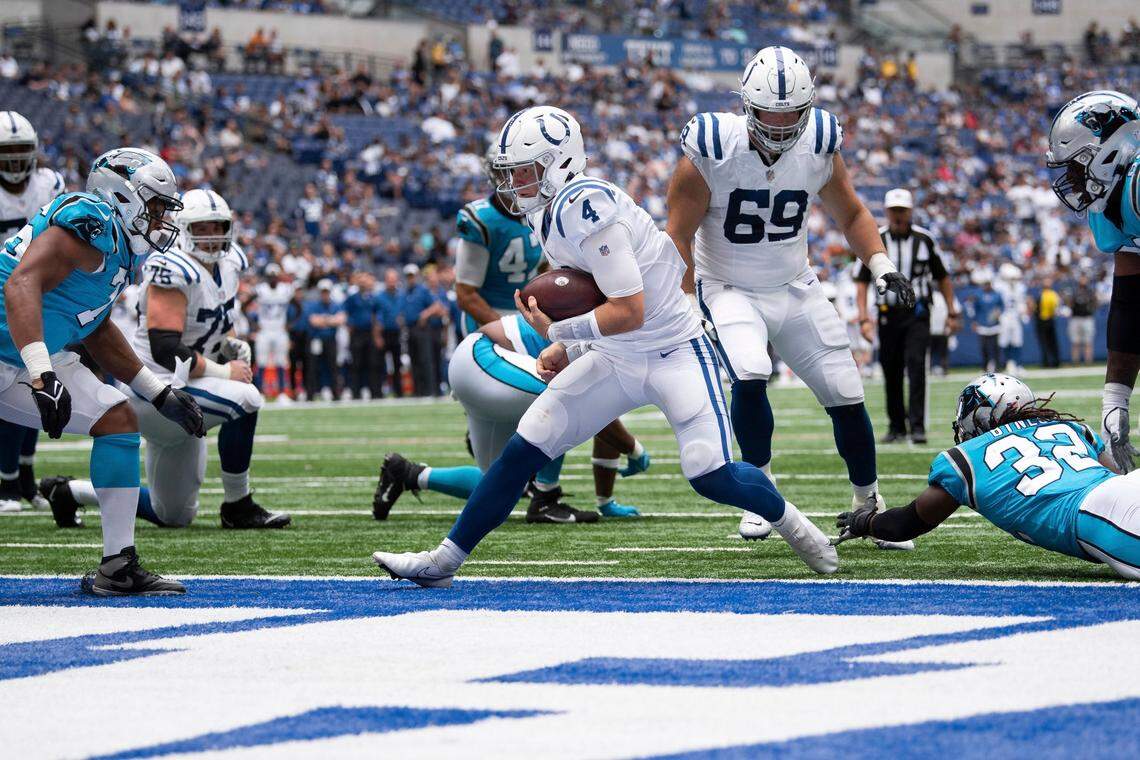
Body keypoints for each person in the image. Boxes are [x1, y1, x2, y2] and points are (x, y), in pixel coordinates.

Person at [372, 106, 838, 587]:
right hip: (617, 354)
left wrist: (559, 335)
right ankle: (443, 562)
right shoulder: (547, 213)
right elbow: (600, 303)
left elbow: (628, 309)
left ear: (559, 163)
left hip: (674, 348)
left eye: (524, 170)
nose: (513, 182)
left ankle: (794, 525)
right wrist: (570, 351)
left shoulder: (584, 204)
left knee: (709, 472)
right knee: (528, 443)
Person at [666, 48, 918, 548]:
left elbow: (852, 214)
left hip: (794, 282)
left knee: (846, 390)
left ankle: (868, 505)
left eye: (791, 115)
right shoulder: (712, 148)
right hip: (728, 286)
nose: (780, 127)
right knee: (750, 370)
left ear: (808, 109)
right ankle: (762, 495)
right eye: (769, 114)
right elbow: (677, 236)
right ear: (746, 106)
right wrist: (687, 306)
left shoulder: (821, 141)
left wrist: (883, 266)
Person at [0, 147, 204, 595]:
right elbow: (21, 283)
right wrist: (41, 373)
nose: (159, 220)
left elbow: (92, 324)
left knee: (117, 418)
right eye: (153, 206)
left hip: (26, 354)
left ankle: (117, 567)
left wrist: (158, 392)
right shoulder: (92, 220)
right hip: (13, 351)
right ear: (122, 194)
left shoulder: (117, 248)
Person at [41, 188, 290, 531]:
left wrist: (230, 344)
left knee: (173, 514)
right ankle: (238, 505)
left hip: (191, 387)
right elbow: (165, 347)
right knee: (246, 398)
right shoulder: (170, 266)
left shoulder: (231, 264)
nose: (212, 235)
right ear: (185, 228)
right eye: (202, 228)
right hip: (155, 391)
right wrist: (223, 370)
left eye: (218, 226)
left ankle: (68, 491)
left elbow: (217, 319)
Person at [836, 373, 1140, 580]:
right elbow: (1114, 476)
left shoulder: (964, 460)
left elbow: (906, 523)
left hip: (1096, 515)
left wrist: (867, 522)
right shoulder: (1071, 429)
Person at [374, 314, 646, 522]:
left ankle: (408, 474)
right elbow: (600, 413)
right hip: (484, 358)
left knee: (497, 482)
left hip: (481, 369)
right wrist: (635, 450)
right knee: (562, 394)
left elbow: (606, 413)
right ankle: (546, 497)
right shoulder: (612, 328)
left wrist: (605, 501)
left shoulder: (617, 327)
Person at [1045, 90, 1140, 472]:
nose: (1070, 177)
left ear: (1108, 151)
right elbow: (1130, 301)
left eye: (1075, 164)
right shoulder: (1117, 198)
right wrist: (1114, 402)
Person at [855, 189, 958, 446]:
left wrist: (952, 311)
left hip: (917, 314)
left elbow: (942, 276)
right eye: (894, 211)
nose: (898, 216)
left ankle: (918, 426)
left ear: (910, 211)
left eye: (902, 211)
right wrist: (864, 318)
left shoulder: (925, 240)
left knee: (916, 367)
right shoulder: (875, 238)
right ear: (887, 212)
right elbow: (861, 280)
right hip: (887, 315)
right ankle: (896, 426)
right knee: (890, 370)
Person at [0, 111, 64, 512]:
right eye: (7, 153)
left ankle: (23, 476)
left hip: (42, 291)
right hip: (2, 291)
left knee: (41, 378)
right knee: (11, 380)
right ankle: (6, 480)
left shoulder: (50, 184)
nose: (14, 161)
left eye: (21, 152)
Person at [454, 149, 543, 335]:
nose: (514, 178)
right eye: (506, 170)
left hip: (529, 316)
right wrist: (509, 331)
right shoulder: (482, 219)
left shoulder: (541, 210)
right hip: (488, 317)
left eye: (523, 169)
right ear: (494, 173)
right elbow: (465, 295)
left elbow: (545, 269)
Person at [401, 263, 446, 396]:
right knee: (414, 360)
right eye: (408, 276)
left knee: (425, 359)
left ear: (416, 276)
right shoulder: (404, 292)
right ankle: (418, 391)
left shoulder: (423, 290)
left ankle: (430, 390)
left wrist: (425, 314)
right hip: (409, 328)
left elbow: (437, 306)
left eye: (412, 276)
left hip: (422, 328)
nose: (410, 278)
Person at [251, 263, 294, 399]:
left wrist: (290, 323)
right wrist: (253, 324)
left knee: (281, 361)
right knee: (261, 362)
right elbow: (245, 306)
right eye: (271, 276)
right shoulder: (260, 289)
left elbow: (298, 306)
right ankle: (260, 393)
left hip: (280, 329)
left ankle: (282, 393)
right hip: (264, 329)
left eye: (275, 276)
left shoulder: (285, 289)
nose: (273, 279)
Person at [305, 279, 344, 400]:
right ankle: (311, 394)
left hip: (330, 339)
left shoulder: (336, 305)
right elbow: (313, 321)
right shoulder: (314, 305)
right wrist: (330, 320)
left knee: (333, 367)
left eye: (326, 292)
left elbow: (340, 320)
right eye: (323, 292)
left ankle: (336, 394)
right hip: (316, 339)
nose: (325, 294)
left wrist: (323, 320)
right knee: (313, 367)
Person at [344, 271, 381, 399]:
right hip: (357, 334)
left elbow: (377, 316)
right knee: (356, 364)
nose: (363, 282)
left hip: (370, 333)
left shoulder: (373, 298)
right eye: (361, 280)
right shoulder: (352, 298)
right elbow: (346, 314)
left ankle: (375, 392)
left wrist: (377, 335)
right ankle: (356, 393)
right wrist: (350, 328)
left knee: (373, 363)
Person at [995, 262, 1028, 375]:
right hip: (1004, 316)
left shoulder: (1020, 287)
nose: (1014, 280)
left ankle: (1017, 364)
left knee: (1017, 340)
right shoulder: (999, 286)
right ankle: (1006, 364)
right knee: (1004, 340)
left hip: (1015, 316)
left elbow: (1021, 302)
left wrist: (1024, 314)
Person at [375, 267, 403, 397]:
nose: (391, 282)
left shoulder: (401, 295)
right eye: (389, 279)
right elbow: (375, 318)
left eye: (393, 280)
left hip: (397, 333)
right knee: (381, 364)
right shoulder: (379, 297)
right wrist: (377, 336)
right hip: (384, 333)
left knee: (397, 363)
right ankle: (380, 391)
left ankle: (399, 391)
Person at [970, 273, 1004, 373]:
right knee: (984, 348)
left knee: (995, 348)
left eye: (988, 283)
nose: (987, 285)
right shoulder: (978, 295)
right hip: (983, 325)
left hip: (994, 325)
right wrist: (975, 321)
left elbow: (1001, 306)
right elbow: (975, 309)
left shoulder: (997, 294)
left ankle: (997, 367)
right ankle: (984, 367)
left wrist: (998, 313)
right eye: (985, 283)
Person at [1067, 272, 1098, 365]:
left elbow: (1095, 302)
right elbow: (1069, 303)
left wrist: (1091, 309)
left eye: (1084, 278)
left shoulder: (1090, 291)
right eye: (1082, 278)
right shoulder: (1075, 291)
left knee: (1088, 341)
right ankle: (1075, 362)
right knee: (1075, 341)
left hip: (1087, 318)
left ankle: (1088, 361)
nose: (1083, 280)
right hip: (1075, 318)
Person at [1035, 276, 1061, 368]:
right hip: (1041, 320)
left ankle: (1055, 361)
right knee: (1045, 343)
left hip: (1049, 320)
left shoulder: (1052, 294)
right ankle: (1047, 361)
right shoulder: (1041, 294)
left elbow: (1057, 307)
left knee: (1051, 342)